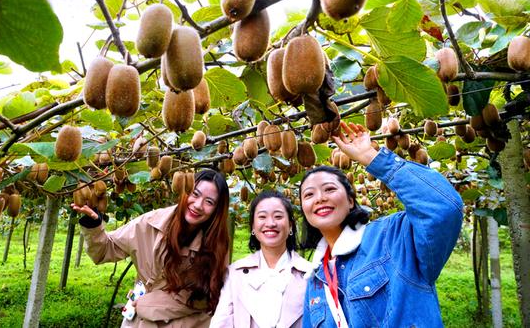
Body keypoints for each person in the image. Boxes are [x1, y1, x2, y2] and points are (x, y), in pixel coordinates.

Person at [300, 122, 463, 328]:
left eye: (330, 189)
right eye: (309, 194)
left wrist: (371, 157)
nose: (320, 198)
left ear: (351, 200)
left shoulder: (393, 235)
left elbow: (443, 207)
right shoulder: (315, 279)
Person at [71, 168, 231, 328]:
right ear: (185, 190)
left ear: (217, 210)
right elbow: (106, 249)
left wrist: (149, 305)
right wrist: (93, 224)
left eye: (209, 202)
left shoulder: (216, 244)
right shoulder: (151, 222)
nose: (198, 205)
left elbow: (210, 295)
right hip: (137, 320)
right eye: (195, 194)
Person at [210, 190, 312, 328]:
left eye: (278, 216)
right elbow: (221, 323)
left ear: (290, 226)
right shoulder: (235, 274)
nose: (270, 223)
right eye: (262, 216)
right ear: (253, 226)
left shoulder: (312, 274)